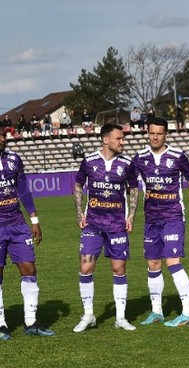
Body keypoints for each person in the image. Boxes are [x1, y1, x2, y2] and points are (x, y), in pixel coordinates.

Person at [0, 120, 55, 340]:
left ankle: (31, 322)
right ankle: (1, 325)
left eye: (4, 135)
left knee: (29, 270)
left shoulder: (14, 159)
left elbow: (24, 190)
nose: (3, 139)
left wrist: (34, 219)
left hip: (18, 224)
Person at [131, 117, 189, 327]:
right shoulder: (139, 158)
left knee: (173, 262)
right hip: (151, 218)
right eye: (152, 133)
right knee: (153, 263)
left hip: (173, 216)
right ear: (147, 133)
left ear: (166, 135)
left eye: (159, 133)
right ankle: (156, 312)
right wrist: (130, 214)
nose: (155, 137)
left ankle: (188, 313)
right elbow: (133, 187)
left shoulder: (178, 156)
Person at [72, 124, 139, 332]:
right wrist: (79, 212)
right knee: (86, 267)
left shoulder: (127, 164)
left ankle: (120, 317)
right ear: (105, 140)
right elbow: (78, 185)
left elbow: (134, 189)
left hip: (117, 226)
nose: (123, 142)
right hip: (93, 225)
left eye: (123, 138)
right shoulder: (89, 161)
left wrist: (131, 215)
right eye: (119, 138)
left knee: (119, 269)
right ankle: (89, 314)